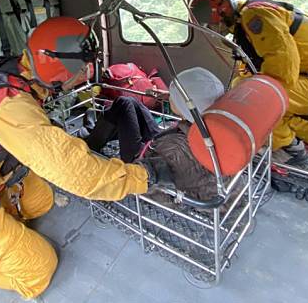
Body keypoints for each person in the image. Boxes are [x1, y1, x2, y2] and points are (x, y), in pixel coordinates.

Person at [0, 17, 169, 300]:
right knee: (38, 269)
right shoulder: (8, 104)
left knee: (42, 199)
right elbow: (78, 173)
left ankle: (3, 228)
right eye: (80, 69)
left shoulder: (16, 74)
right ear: (57, 68)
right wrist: (146, 176)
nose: (85, 74)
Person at [189, 0, 308, 168]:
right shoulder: (245, 21)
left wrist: (250, 101)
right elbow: (250, 69)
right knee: (243, 88)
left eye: (212, 25)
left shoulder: (255, 16)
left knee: (258, 106)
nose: (214, 30)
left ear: (221, 13)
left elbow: (283, 66)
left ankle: (291, 152)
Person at [85, 67, 227, 202]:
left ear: (186, 106)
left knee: (123, 104)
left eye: (174, 96)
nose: (170, 96)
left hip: (144, 162)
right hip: (163, 142)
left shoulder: (175, 151)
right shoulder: (206, 124)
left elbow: (151, 181)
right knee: (129, 102)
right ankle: (100, 131)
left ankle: (88, 144)